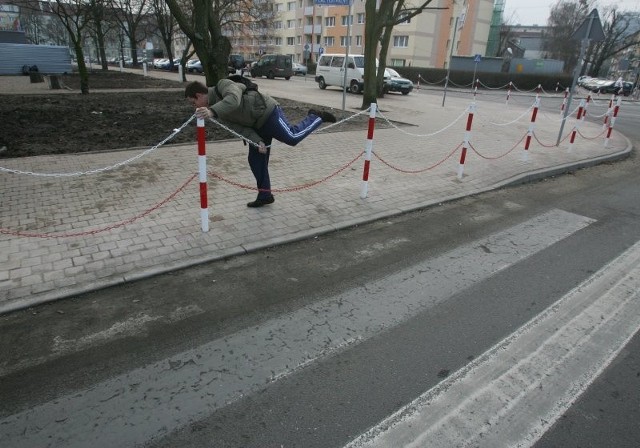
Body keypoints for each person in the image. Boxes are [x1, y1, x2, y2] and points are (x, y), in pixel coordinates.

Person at [185, 79, 336, 208]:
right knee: (256, 160)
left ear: (199, 95)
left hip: (269, 113)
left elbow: (234, 99)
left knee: (292, 137)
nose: (195, 107)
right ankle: (265, 196)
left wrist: (212, 111)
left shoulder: (223, 85)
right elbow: (238, 128)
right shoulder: (217, 111)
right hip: (256, 127)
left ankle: (316, 116)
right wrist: (257, 141)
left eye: (194, 103)